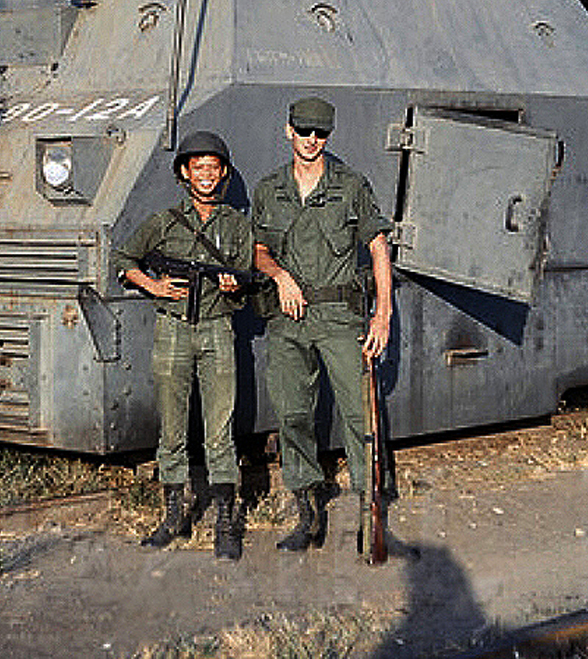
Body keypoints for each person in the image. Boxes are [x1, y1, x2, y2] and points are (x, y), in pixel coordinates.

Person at [252, 96, 393, 551]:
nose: (312, 140)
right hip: (288, 320)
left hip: (340, 318)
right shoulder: (269, 188)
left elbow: (377, 250)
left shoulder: (351, 185)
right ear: (287, 131)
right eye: (304, 130)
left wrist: (383, 314)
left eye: (321, 133)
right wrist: (280, 276)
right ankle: (307, 514)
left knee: (360, 417)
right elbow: (258, 250)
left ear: (328, 136)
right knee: (293, 415)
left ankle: (370, 516)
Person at [113, 131, 254, 560]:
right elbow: (123, 260)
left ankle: (226, 522)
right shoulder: (163, 222)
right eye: (198, 168)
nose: (206, 175)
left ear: (223, 173)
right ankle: (173, 516)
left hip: (217, 330)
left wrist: (232, 286)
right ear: (184, 174)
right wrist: (153, 286)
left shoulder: (236, 226)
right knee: (171, 429)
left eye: (214, 168)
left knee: (220, 432)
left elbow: (245, 286)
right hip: (173, 330)